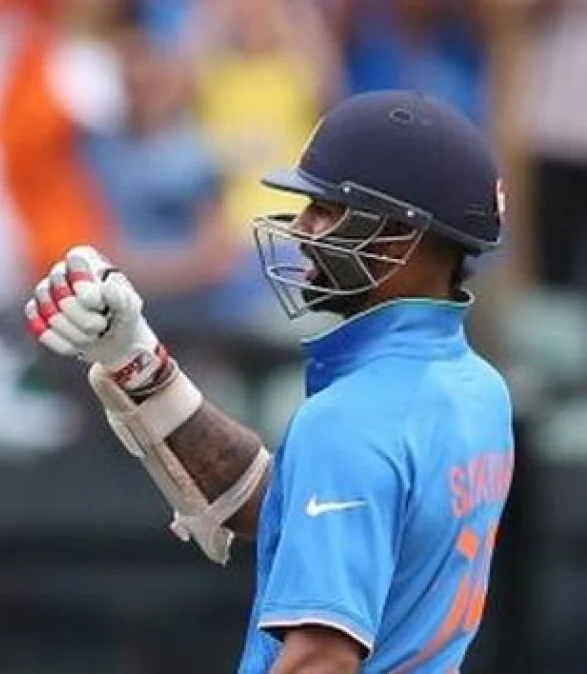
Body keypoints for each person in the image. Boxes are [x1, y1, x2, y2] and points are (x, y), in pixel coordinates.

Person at [25, 89, 513, 672]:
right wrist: (140, 363)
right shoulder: (480, 391)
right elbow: (295, 511)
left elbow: (322, 660)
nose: (302, 229)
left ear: (398, 237)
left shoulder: (349, 421)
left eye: (327, 210)